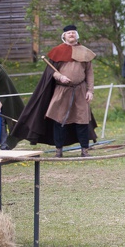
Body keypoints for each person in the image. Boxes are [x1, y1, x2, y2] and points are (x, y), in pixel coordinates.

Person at [11, 25, 98, 156]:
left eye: (73, 33)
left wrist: (90, 91)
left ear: (77, 35)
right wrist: (60, 76)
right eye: (68, 33)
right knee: (59, 121)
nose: (71, 35)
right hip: (62, 91)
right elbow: (51, 72)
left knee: (82, 121)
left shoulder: (85, 52)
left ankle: (84, 150)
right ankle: (59, 150)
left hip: (80, 91)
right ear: (64, 36)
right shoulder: (58, 51)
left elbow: (89, 74)